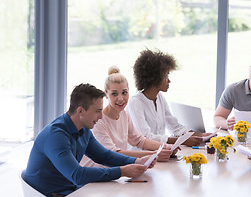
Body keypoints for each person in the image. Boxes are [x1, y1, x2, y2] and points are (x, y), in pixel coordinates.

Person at [24, 83, 156, 197]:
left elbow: (104, 156)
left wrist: (136, 161)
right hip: (50, 193)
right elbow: (77, 175)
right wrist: (122, 171)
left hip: (70, 189)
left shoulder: (84, 129)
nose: (101, 116)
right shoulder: (56, 136)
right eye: (98, 111)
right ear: (80, 111)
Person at [81, 66, 176, 168]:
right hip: (94, 178)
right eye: (114, 94)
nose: (121, 99)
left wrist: (165, 147)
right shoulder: (99, 121)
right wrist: (153, 155)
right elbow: (113, 153)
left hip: (113, 172)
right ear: (106, 95)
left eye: (124, 93)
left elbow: (139, 140)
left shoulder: (124, 115)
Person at [127, 49, 211, 146]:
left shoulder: (160, 97)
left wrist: (202, 135)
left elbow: (175, 127)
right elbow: (146, 137)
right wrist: (181, 140)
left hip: (162, 152)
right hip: (143, 156)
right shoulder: (135, 102)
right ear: (155, 78)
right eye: (166, 76)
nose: (169, 81)